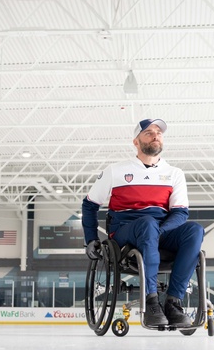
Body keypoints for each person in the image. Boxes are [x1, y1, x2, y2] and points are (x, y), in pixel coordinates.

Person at [82, 118, 204, 327]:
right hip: (125, 231)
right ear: (136, 142)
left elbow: (181, 213)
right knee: (147, 223)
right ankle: (151, 301)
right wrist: (91, 240)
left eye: (159, 133)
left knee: (195, 230)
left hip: (159, 230)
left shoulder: (174, 174)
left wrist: (160, 230)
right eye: (148, 133)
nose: (155, 135)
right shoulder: (116, 170)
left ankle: (173, 302)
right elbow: (90, 205)